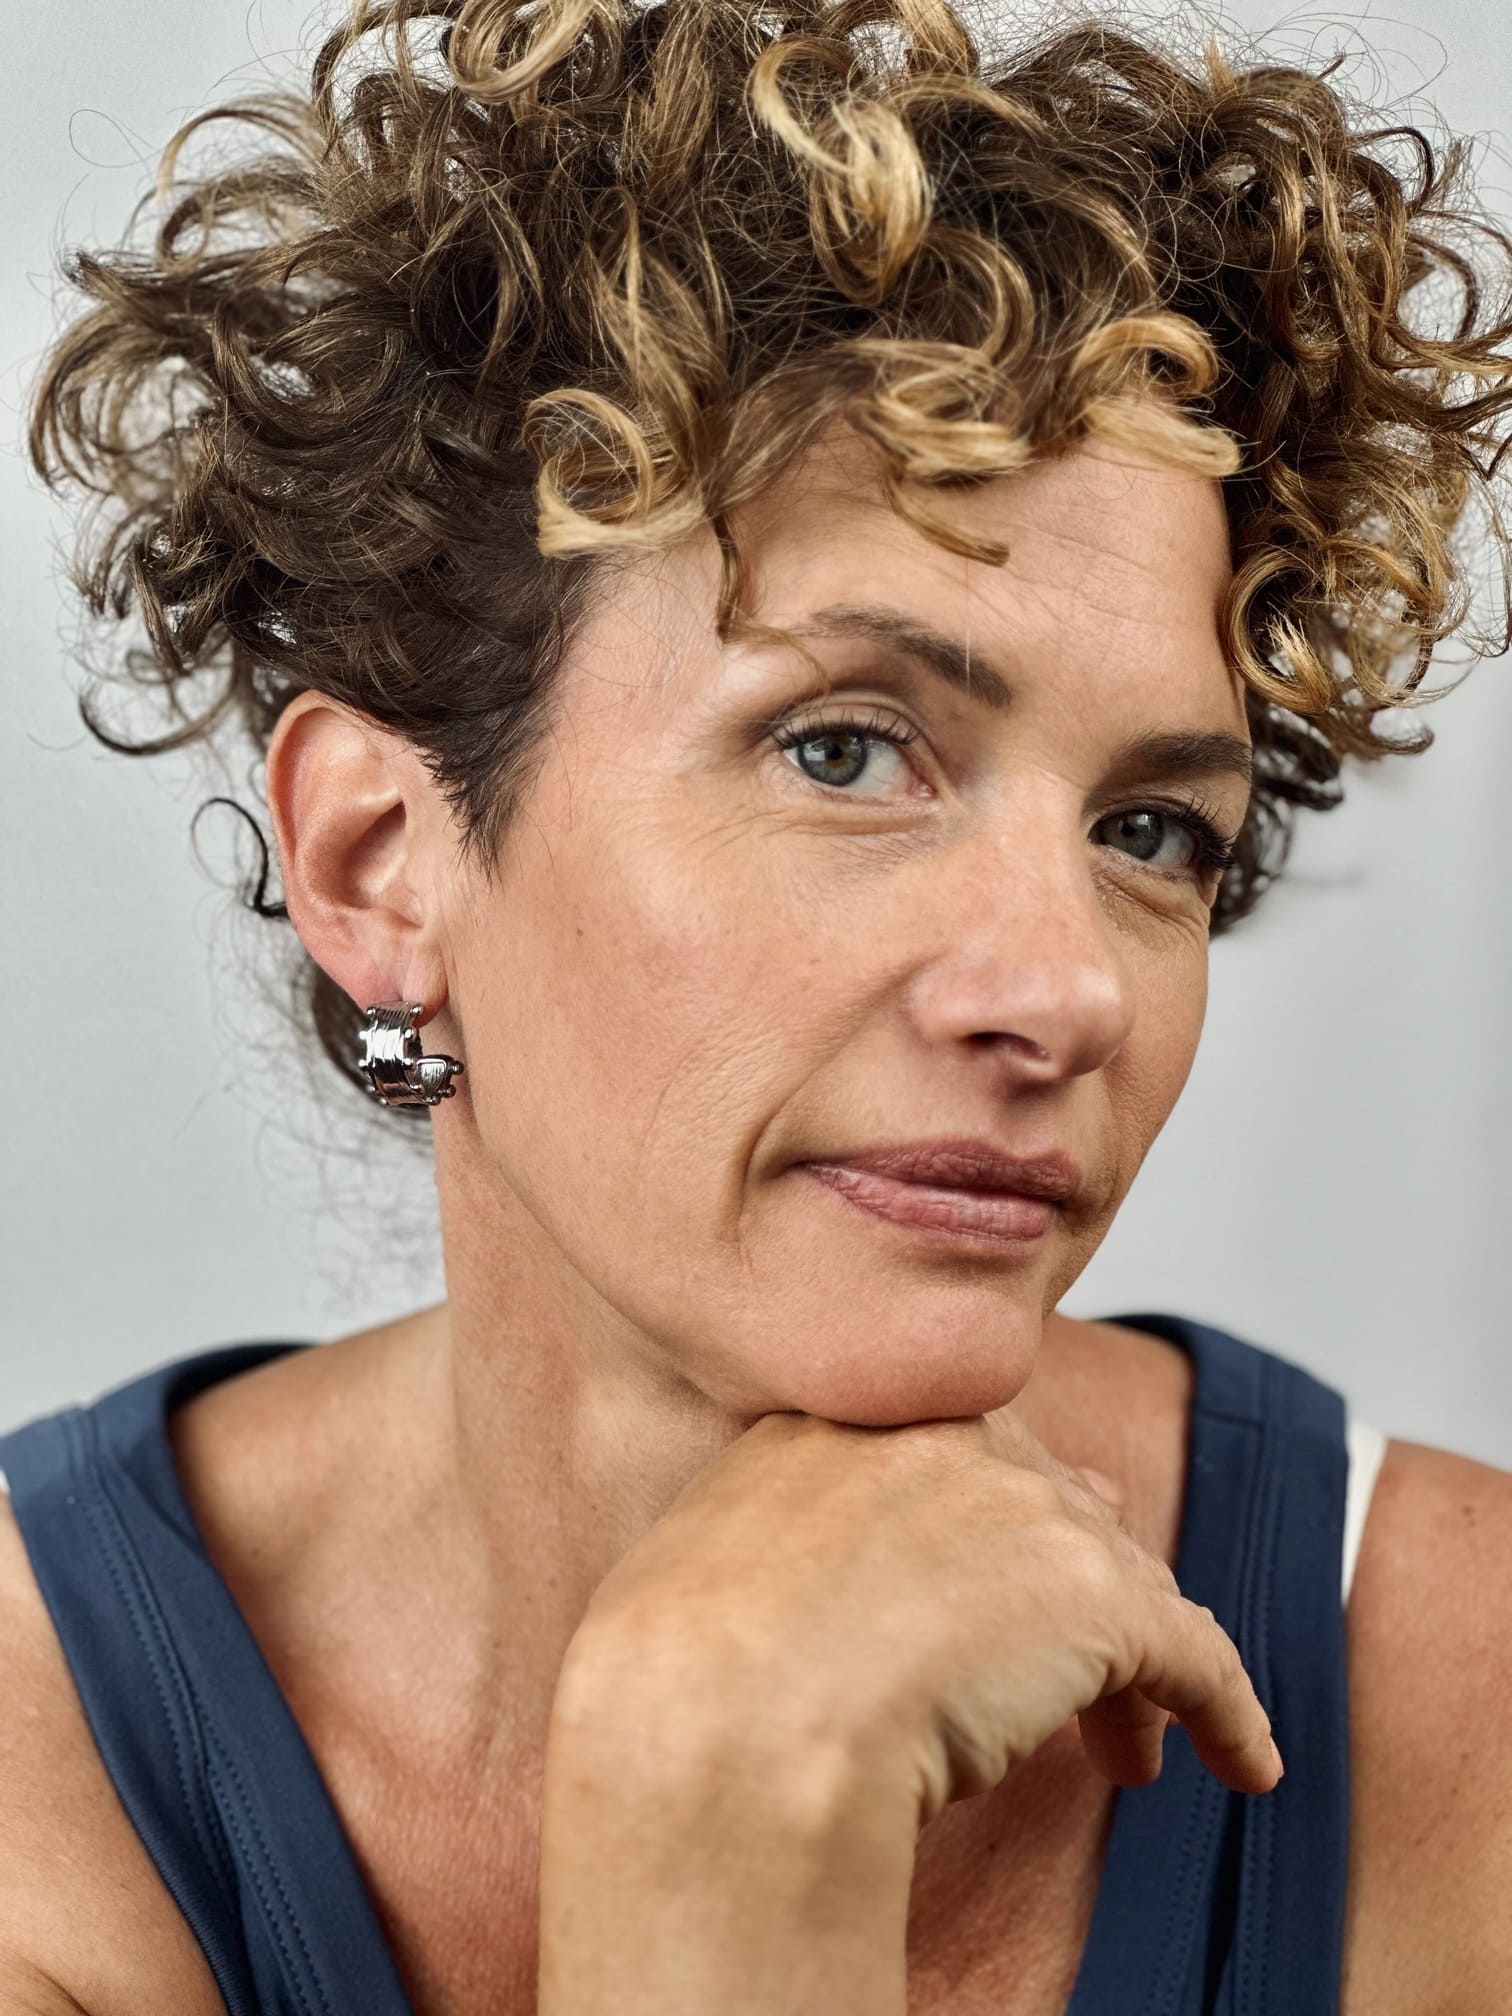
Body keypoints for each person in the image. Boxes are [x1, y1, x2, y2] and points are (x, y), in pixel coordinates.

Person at [2, 2, 1510, 2010]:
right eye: (842, 750)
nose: (1066, 990)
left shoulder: (1468, 1705)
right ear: (378, 860)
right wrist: (716, 1834)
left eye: (1152, 831)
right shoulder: (36, 1782)